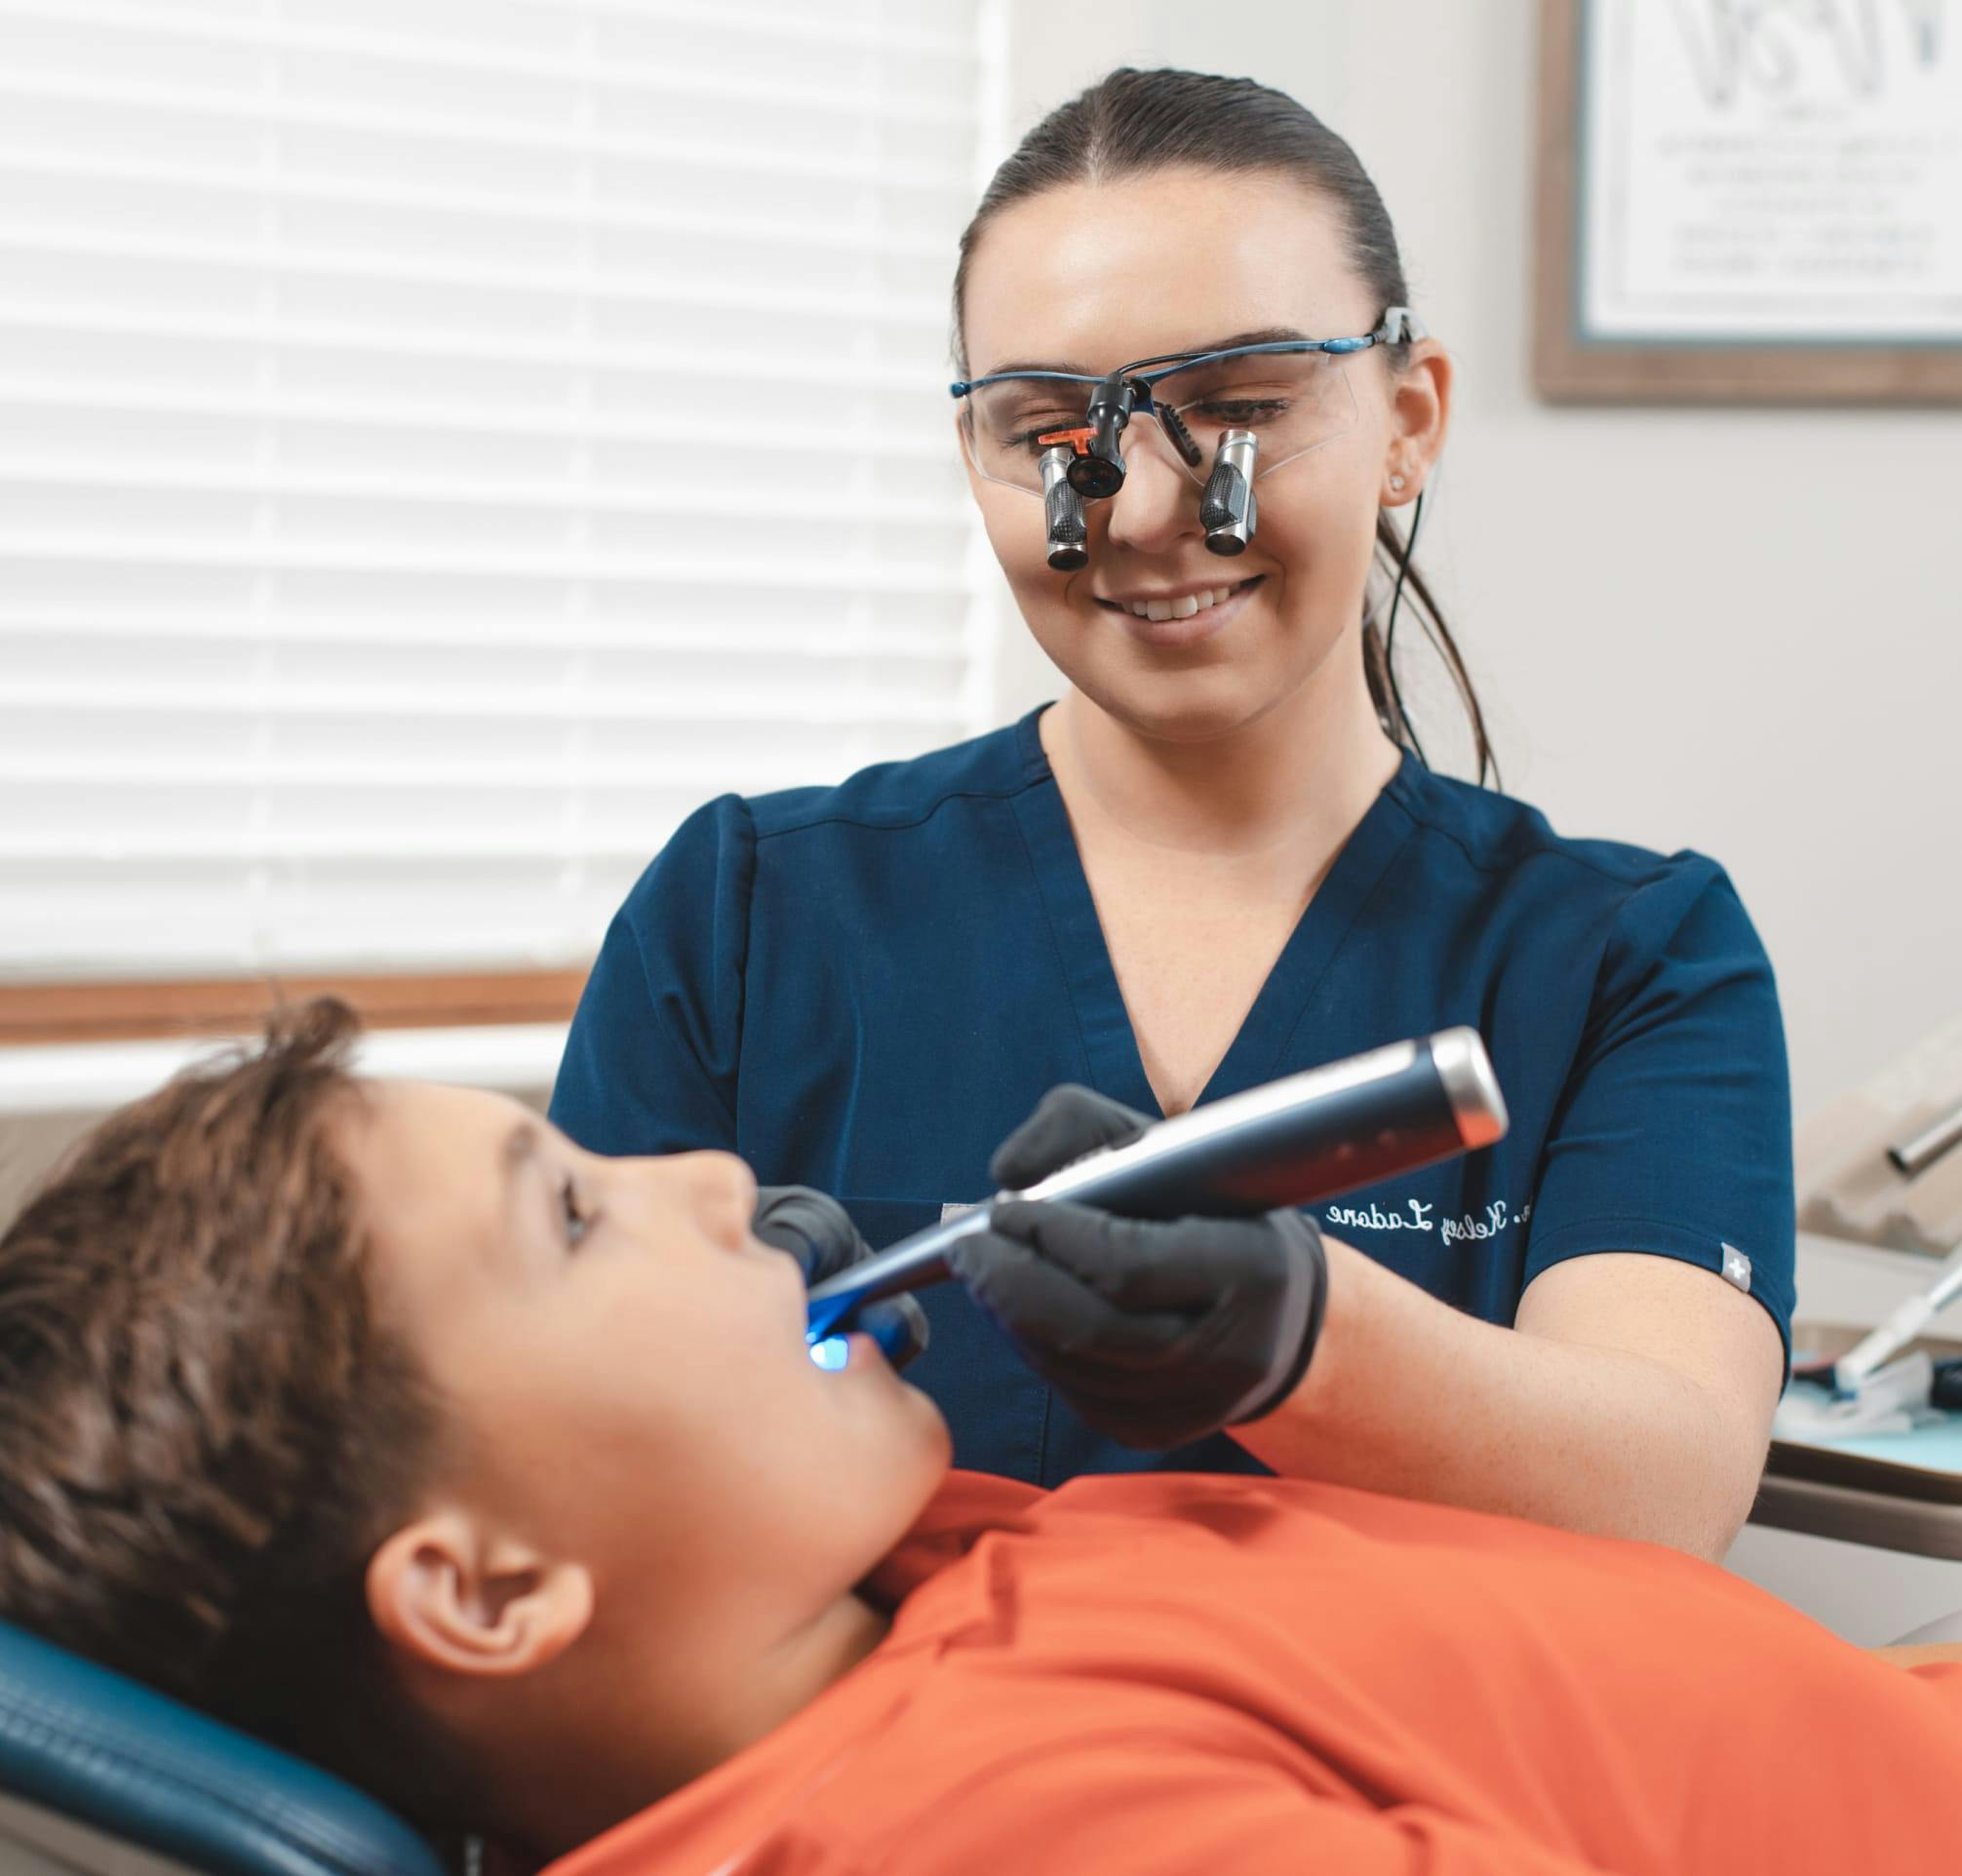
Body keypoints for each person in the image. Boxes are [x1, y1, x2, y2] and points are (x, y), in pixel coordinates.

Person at [549, 68, 1792, 1559]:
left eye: (1241, 407)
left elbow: (1662, 1496)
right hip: (869, 1782)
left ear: (1408, 420)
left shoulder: (1629, 959)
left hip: (1401, 1783)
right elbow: (554, 1485)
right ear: (976, 454)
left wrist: (1305, 1341)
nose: (1138, 510)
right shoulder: (750, 916)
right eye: (1048, 427)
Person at [0, 1008, 1947, 1874]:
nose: (714, 1173)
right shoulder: (971, 1829)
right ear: (494, 1582)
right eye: (576, 1211)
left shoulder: (849, 1605)